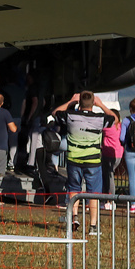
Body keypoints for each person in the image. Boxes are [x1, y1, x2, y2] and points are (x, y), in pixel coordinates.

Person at [54, 90, 114, 235]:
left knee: (74, 189)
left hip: (74, 159)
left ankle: (74, 217)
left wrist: (71, 101)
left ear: (79, 102)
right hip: (93, 160)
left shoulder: (70, 116)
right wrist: (101, 104)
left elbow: (55, 113)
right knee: (94, 193)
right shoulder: (100, 119)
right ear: (93, 103)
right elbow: (114, 118)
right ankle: (93, 226)